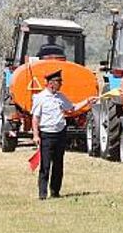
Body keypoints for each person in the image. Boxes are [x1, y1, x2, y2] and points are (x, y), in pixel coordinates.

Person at [30, 69, 95, 200]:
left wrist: (87, 101)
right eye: (58, 81)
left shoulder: (61, 97)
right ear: (50, 83)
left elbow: (72, 109)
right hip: (47, 134)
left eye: (61, 81)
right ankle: (42, 194)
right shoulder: (40, 98)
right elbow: (35, 118)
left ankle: (55, 191)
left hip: (60, 134)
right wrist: (36, 135)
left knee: (58, 165)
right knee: (45, 165)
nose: (60, 84)